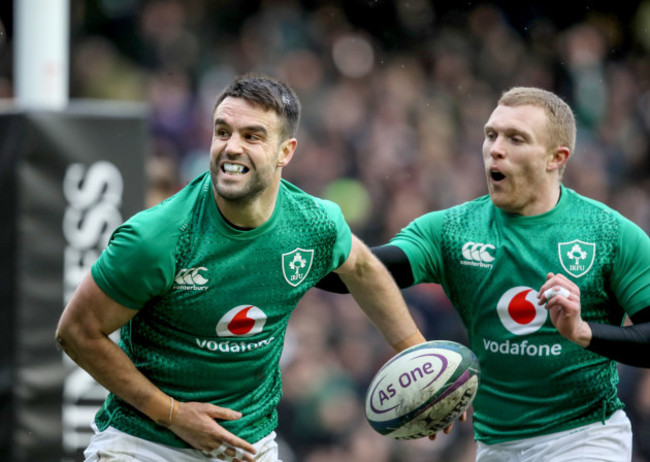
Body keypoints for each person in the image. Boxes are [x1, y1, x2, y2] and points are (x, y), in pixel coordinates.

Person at [55, 74, 427, 462]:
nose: (231, 147)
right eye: (222, 132)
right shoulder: (157, 237)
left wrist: (418, 355)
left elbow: (364, 269)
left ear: (286, 151)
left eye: (252, 136)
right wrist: (172, 414)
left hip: (248, 447)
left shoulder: (316, 224)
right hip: (144, 443)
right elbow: (76, 332)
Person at [318, 86, 650, 461]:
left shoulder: (610, 234)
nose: (495, 148)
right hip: (495, 447)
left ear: (556, 158)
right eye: (490, 134)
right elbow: (349, 275)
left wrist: (584, 333)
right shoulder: (451, 231)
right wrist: (287, 216)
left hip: (587, 438)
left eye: (515, 138)